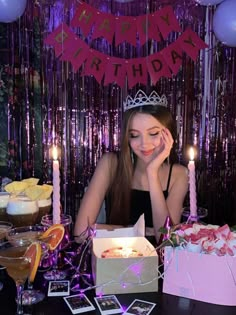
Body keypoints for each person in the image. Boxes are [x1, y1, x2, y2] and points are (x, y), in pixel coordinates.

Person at [74, 90, 188, 243]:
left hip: (158, 265)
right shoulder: (110, 163)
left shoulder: (178, 174)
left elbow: (166, 241)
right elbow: (80, 233)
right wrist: (139, 232)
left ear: (169, 133)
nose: (144, 144)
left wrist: (152, 172)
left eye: (153, 133)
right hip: (112, 259)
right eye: (134, 135)